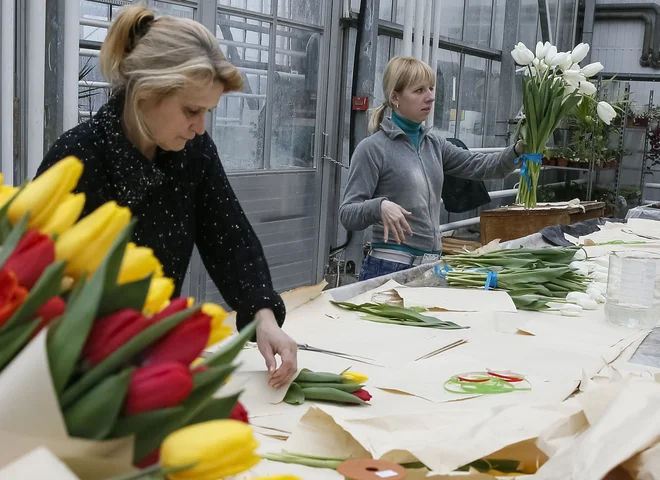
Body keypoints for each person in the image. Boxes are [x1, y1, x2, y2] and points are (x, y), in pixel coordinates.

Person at [36, 6, 297, 388]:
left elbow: (230, 238)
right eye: (191, 110)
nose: (200, 126)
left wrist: (263, 315)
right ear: (147, 91)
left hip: (152, 363)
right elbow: (33, 284)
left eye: (207, 112)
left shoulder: (194, 153)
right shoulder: (77, 159)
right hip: (71, 374)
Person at [339, 56, 525, 281]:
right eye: (419, 91)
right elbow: (348, 213)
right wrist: (379, 206)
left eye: (431, 88)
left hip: (429, 268)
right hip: (389, 269)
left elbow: (481, 166)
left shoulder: (434, 144)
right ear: (395, 97)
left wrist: (517, 149)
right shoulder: (373, 149)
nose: (430, 97)